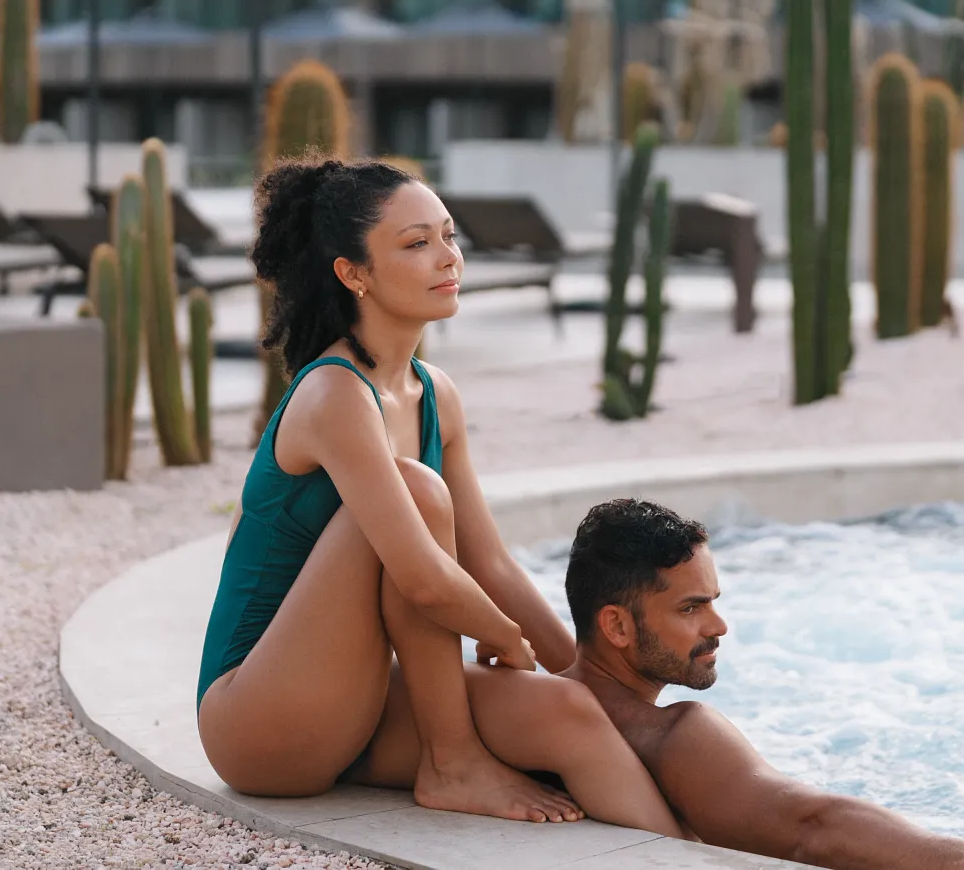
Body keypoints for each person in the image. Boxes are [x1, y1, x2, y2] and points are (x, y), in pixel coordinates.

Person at [196, 158, 682, 836]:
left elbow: (491, 563)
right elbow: (425, 579)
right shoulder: (334, 393)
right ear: (353, 272)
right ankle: (452, 763)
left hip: (356, 698)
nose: (447, 256)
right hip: (258, 717)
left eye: (449, 236)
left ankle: (694, 851)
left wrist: (585, 675)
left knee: (569, 717)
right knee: (419, 492)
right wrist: (505, 638)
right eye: (416, 242)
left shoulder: (435, 394)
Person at [562, 499, 964, 870]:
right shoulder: (673, 736)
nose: (718, 625)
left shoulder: (531, 704)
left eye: (714, 600)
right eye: (691, 607)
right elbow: (813, 828)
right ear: (617, 626)